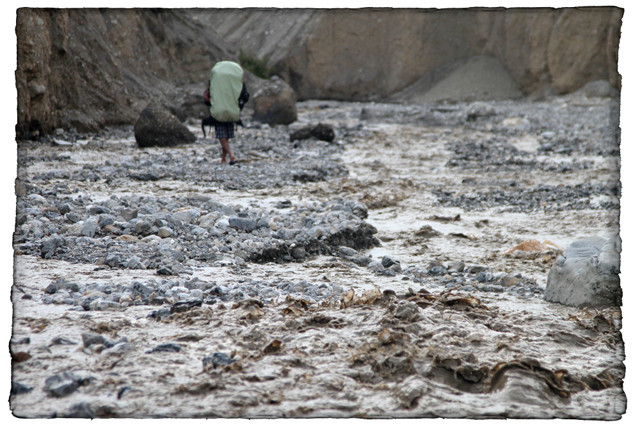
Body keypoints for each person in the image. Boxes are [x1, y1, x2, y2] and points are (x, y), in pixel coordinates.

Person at [203, 61, 250, 165]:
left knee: (221, 136)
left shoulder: (214, 84)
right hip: (232, 110)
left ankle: (230, 154)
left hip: (219, 111)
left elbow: (207, 98)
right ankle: (224, 158)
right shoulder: (236, 85)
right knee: (226, 136)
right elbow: (244, 96)